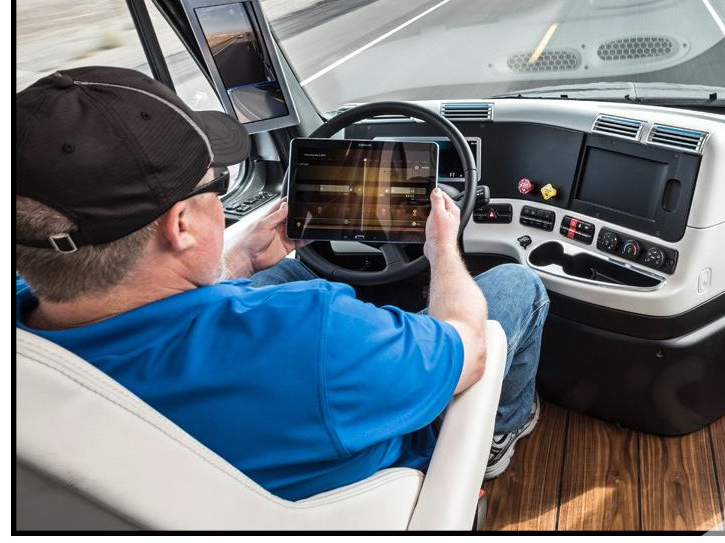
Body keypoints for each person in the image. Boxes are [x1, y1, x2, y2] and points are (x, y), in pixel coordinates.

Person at [14, 66, 548, 501]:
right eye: (217, 183)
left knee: (289, 269)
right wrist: (443, 250)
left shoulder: (24, 338)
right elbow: (469, 347)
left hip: (221, 482)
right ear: (180, 226)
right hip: (378, 484)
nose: (220, 200)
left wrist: (238, 261)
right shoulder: (313, 330)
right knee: (517, 286)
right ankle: (499, 436)